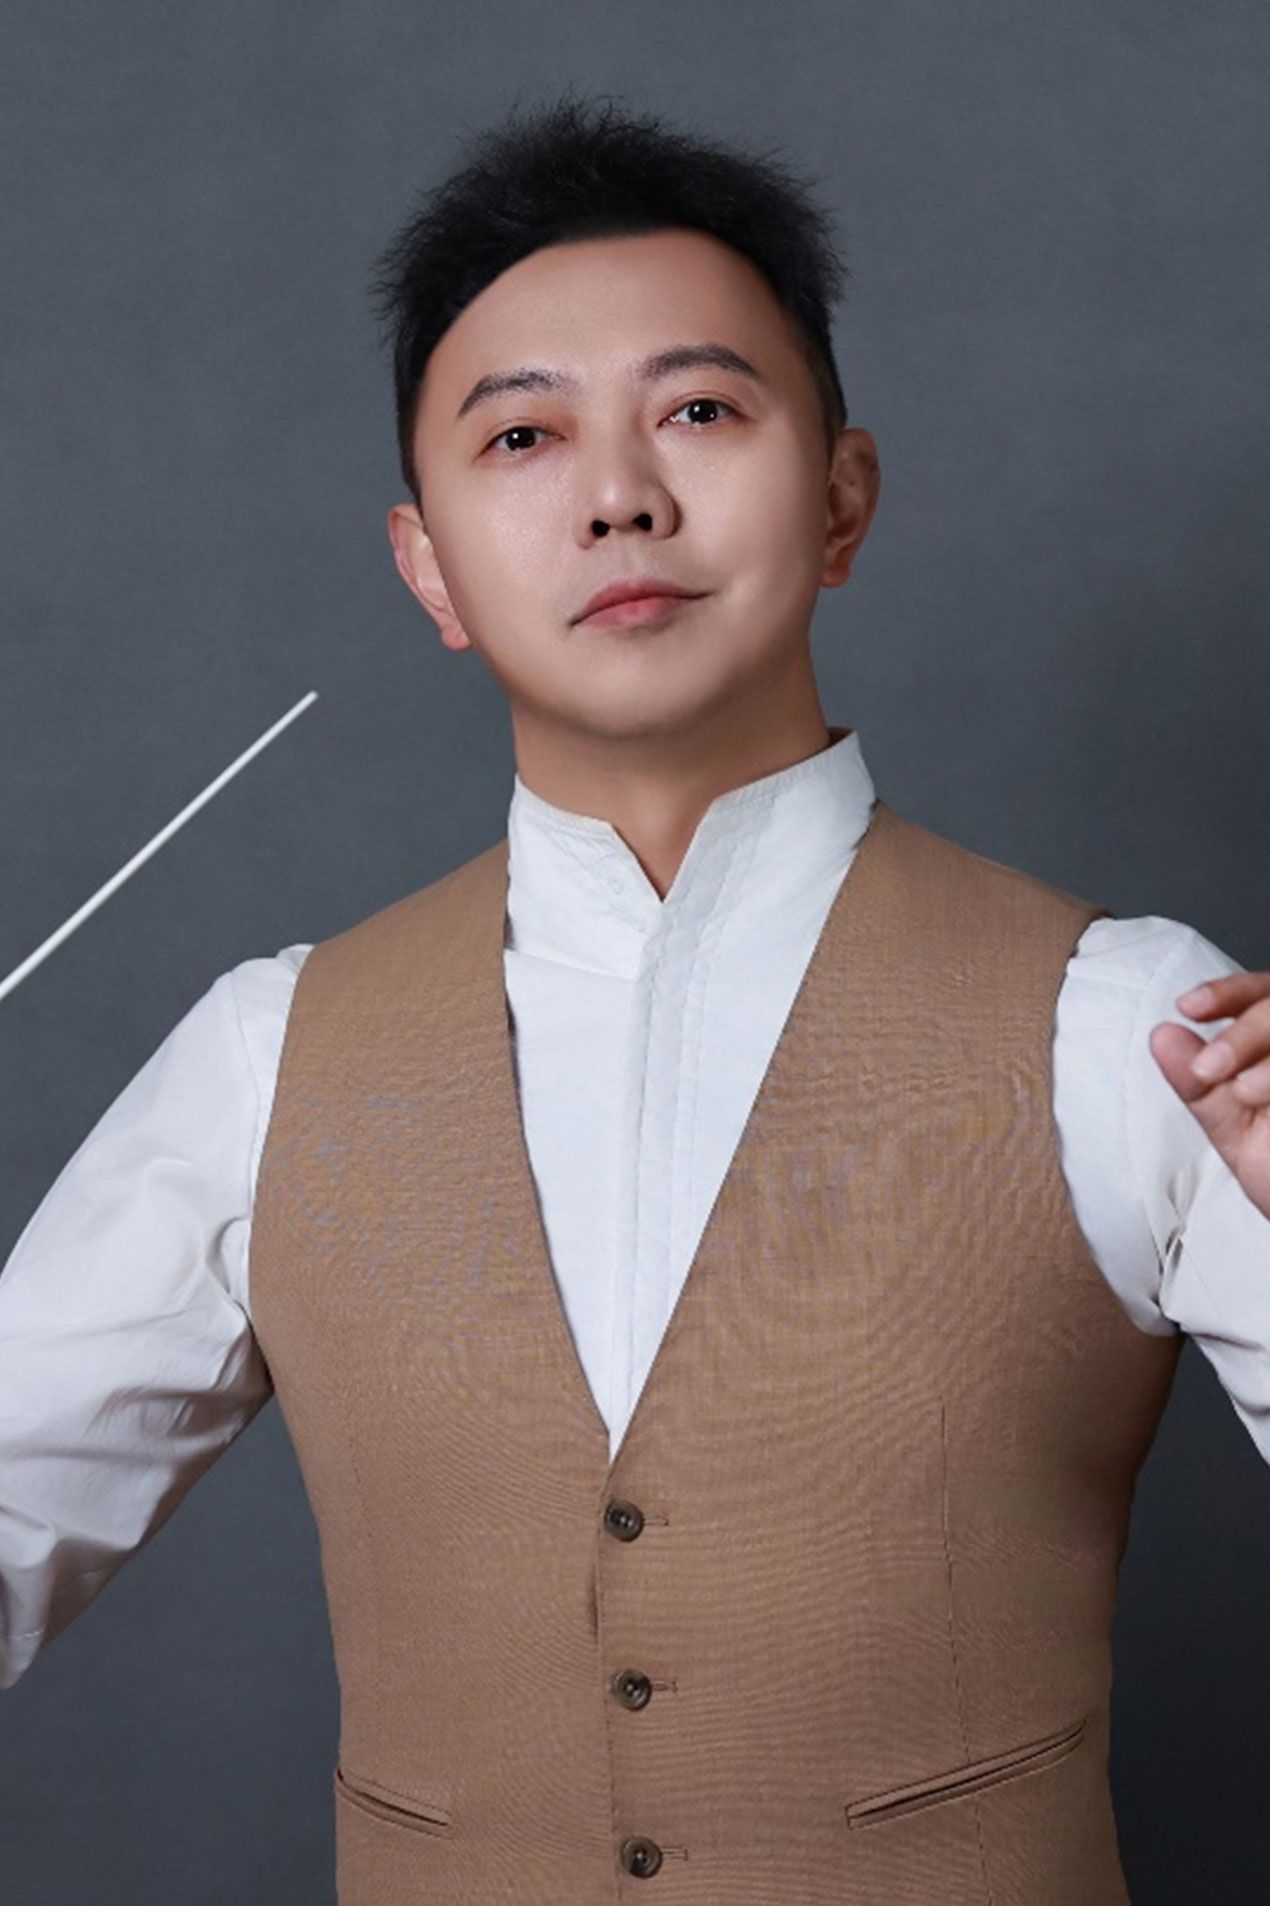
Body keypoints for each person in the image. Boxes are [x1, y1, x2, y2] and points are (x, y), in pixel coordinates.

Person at [3, 90, 1268, 1901]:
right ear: (428, 567)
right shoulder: (264, 1059)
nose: (618, 494)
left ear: (841, 499)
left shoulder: (1127, 1021)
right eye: (522, 435)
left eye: (697, 410)